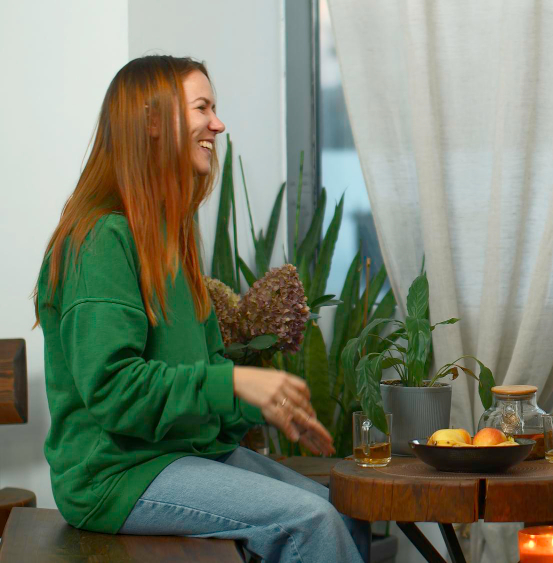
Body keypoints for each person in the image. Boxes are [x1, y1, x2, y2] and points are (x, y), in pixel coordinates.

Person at [33, 55, 367, 563]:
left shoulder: (172, 241)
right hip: (119, 475)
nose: (218, 123)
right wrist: (235, 382)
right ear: (150, 121)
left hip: (181, 454)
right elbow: (113, 391)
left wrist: (260, 404)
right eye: (202, 107)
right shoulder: (100, 240)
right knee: (311, 522)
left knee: (343, 506)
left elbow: (204, 371)